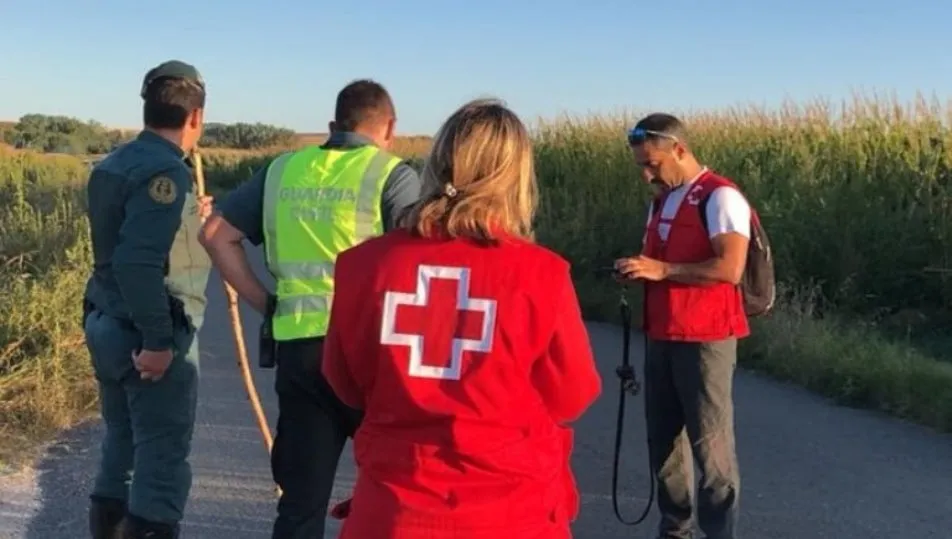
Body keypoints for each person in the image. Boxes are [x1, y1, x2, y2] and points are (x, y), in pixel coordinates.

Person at [319, 98, 603, 539]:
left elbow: (345, 382)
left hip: (393, 512)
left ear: (437, 161)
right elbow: (571, 395)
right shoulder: (541, 273)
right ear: (515, 176)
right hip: (511, 514)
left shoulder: (362, 265)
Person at [198, 79, 422, 538]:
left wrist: (267, 302)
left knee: (301, 504)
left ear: (332, 125)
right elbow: (420, 262)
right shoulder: (393, 175)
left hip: (300, 352)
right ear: (389, 128)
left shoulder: (283, 170)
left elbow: (215, 234)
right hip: (371, 357)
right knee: (394, 495)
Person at [82, 60, 214, 539]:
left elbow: (123, 234)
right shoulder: (166, 172)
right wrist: (160, 341)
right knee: (160, 459)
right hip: (145, 330)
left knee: (121, 447)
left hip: (106, 320)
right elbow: (137, 263)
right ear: (195, 117)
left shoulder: (114, 162)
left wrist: (188, 217)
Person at [613, 113, 748, 539]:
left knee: (711, 449)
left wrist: (664, 269)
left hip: (706, 339)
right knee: (664, 444)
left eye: (653, 163)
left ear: (680, 150)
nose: (647, 174)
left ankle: (719, 533)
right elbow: (659, 264)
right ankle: (675, 529)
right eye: (641, 166)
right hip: (662, 334)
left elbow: (730, 268)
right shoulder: (662, 200)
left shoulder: (721, 197)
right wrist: (638, 270)